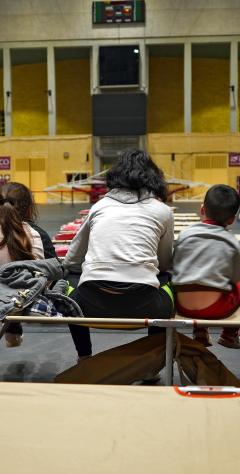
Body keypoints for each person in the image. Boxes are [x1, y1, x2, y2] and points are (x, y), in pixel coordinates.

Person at [63, 149, 174, 360]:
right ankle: (150, 363)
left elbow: (71, 260)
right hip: (145, 305)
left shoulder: (100, 207)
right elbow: (164, 263)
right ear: (153, 177)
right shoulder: (163, 211)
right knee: (167, 281)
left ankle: (84, 356)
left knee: (68, 280)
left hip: (91, 303)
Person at [0, 182, 56, 347]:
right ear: (29, 208)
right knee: (58, 276)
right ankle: (84, 355)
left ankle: (12, 329)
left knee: (2, 283)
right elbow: (54, 271)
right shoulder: (39, 235)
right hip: (31, 297)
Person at [172, 185, 240, 349]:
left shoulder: (184, 234)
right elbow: (235, 278)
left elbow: (175, 267)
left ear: (202, 209)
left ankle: (200, 333)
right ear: (232, 219)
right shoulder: (231, 241)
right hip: (216, 309)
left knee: (194, 280)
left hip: (181, 306)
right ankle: (229, 335)